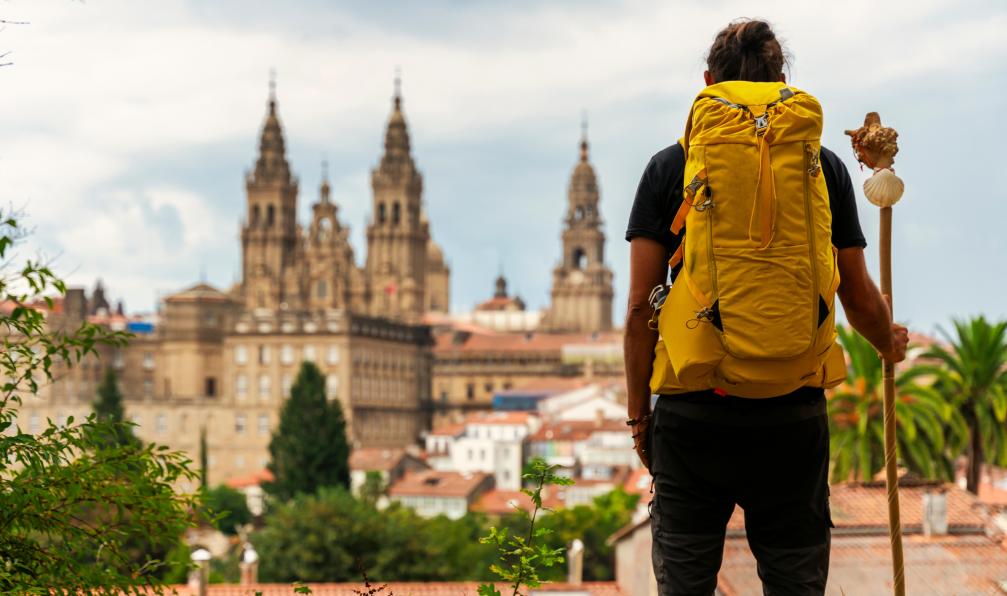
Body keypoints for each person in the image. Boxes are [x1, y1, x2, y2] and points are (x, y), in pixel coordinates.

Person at [623, 19, 910, 595]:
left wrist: (639, 419)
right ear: (783, 80)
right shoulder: (823, 166)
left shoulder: (670, 167)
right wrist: (888, 342)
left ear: (709, 83)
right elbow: (857, 294)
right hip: (792, 415)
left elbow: (638, 311)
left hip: (693, 411)